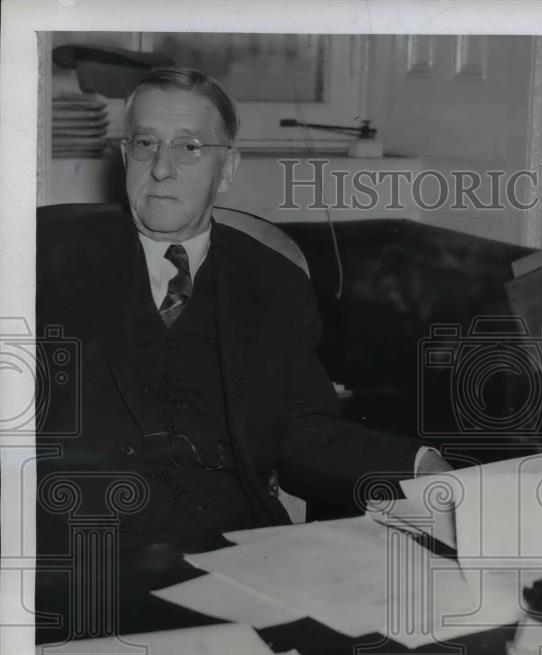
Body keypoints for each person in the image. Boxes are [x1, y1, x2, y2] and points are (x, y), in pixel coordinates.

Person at [35, 67, 448, 554]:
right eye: (146, 144)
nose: (161, 168)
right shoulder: (44, 259)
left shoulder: (274, 283)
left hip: (237, 549)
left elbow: (301, 431)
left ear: (227, 169)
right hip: (79, 553)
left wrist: (419, 464)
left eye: (189, 147)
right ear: (126, 156)